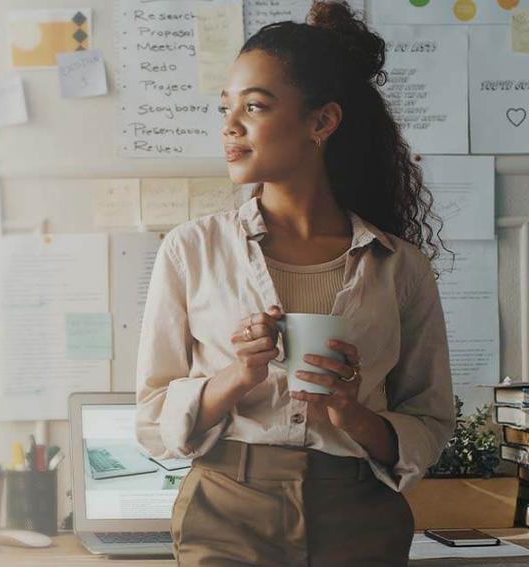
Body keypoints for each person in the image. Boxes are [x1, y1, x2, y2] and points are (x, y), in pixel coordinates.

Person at [135, 2, 456, 565]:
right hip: (226, 511)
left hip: (361, 516)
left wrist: (351, 413)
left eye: (254, 106)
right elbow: (154, 417)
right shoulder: (190, 250)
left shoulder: (400, 266)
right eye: (225, 108)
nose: (230, 125)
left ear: (322, 122)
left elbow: (429, 422)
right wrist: (239, 375)